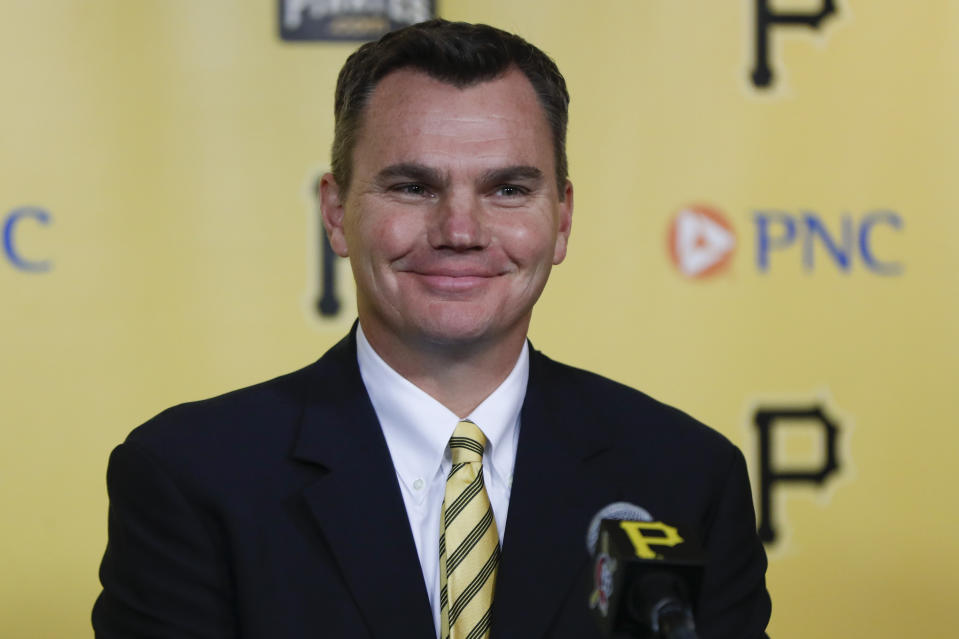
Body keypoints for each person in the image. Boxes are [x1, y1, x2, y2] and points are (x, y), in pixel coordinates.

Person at [92, 19, 770, 639]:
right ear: (334, 212)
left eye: (507, 189)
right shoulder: (191, 476)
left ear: (560, 219)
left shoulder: (682, 476)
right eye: (412, 187)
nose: (460, 232)